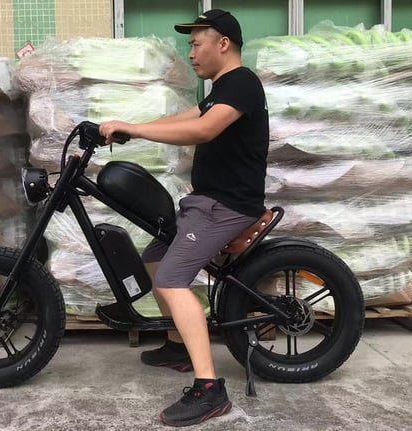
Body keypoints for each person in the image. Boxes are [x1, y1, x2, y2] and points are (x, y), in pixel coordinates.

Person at [99, 9, 269, 427]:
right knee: (155, 260)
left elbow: (204, 130)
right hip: (205, 202)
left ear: (223, 43)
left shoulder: (242, 83)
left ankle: (209, 389)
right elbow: (190, 118)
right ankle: (179, 344)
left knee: (172, 279)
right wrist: (131, 127)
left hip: (227, 206)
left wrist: (135, 132)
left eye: (196, 43)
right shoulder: (219, 89)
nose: (190, 52)